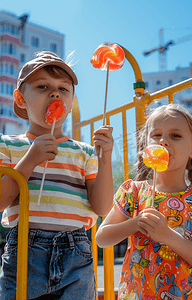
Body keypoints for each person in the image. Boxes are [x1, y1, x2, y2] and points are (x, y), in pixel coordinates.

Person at [0, 51, 114, 300]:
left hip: (77, 253)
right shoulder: (7, 145)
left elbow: (102, 207)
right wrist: (29, 159)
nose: (55, 94)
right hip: (25, 251)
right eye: (43, 86)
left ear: (71, 102)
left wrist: (105, 159)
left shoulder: (84, 152)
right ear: (21, 99)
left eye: (64, 89)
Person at [96, 104, 192, 300]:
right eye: (156, 135)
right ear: (145, 146)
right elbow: (102, 237)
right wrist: (135, 223)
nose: (163, 141)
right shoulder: (134, 192)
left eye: (176, 136)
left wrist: (168, 236)